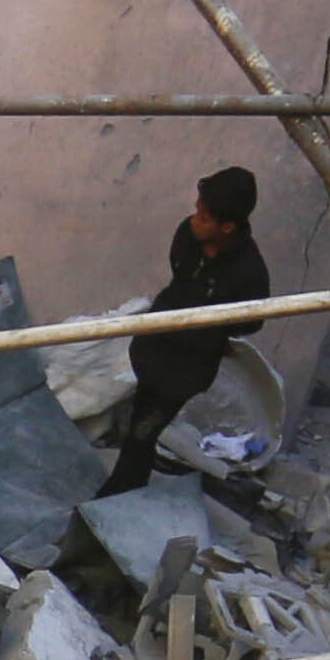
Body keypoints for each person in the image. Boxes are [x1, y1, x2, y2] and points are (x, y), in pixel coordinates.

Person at [106, 166, 269, 483]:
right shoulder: (188, 235)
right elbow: (178, 269)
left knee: (143, 431)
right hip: (155, 348)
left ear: (227, 227)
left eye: (205, 218)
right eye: (197, 211)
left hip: (186, 368)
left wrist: (209, 326)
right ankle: (135, 473)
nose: (195, 220)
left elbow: (251, 322)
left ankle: (120, 491)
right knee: (141, 419)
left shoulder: (247, 273)